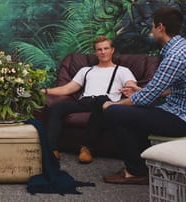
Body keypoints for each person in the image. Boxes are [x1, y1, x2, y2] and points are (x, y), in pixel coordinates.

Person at [102, 6, 186, 185]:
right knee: (134, 112)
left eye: (152, 26)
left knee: (115, 113)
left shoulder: (175, 56)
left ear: (160, 27)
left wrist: (113, 105)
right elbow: (180, 87)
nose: (151, 30)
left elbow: (146, 98)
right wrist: (141, 93)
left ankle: (136, 171)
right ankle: (141, 167)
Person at [42, 36, 137, 164]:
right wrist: (46, 91)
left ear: (112, 50)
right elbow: (67, 89)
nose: (103, 52)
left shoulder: (122, 70)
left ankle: (86, 148)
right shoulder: (86, 70)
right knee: (57, 107)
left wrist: (132, 89)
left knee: (101, 100)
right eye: (99, 49)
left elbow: (131, 85)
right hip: (85, 101)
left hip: (106, 103)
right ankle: (51, 149)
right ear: (95, 52)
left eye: (106, 48)